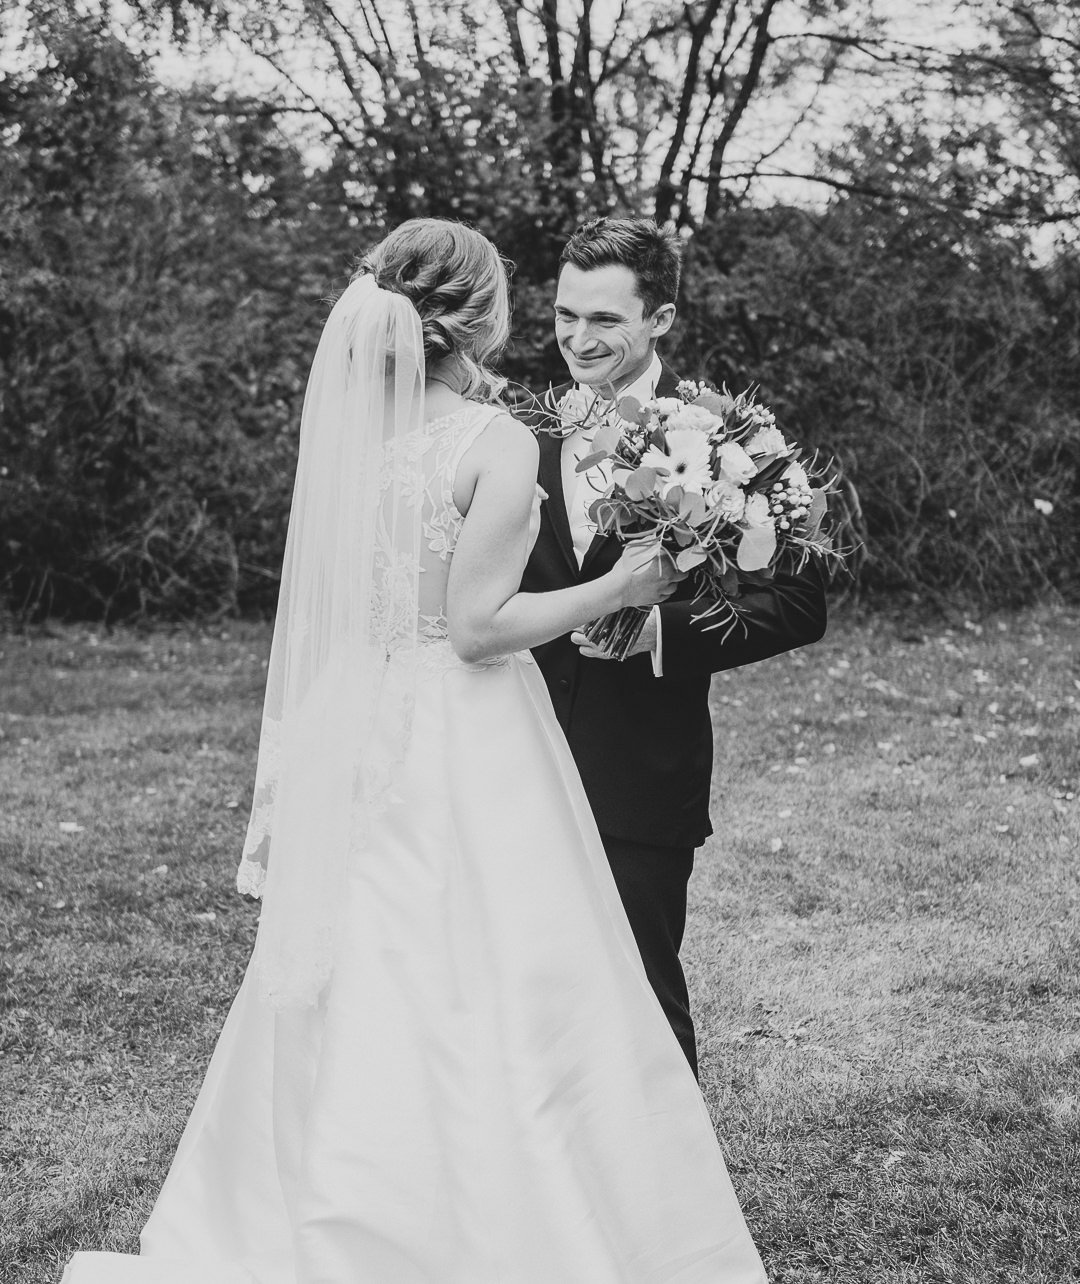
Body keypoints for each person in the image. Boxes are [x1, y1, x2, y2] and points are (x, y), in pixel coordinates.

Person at [61, 219, 767, 1282]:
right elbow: (479, 629)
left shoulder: (358, 440)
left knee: (363, 964)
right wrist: (621, 589)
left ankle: (324, 1195)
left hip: (367, 727)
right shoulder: (489, 440)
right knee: (494, 965)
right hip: (466, 726)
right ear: (483, 317)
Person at [522, 217, 828, 1075]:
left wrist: (656, 628)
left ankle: (667, 1200)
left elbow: (801, 601)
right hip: (507, 755)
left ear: (660, 318)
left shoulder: (732, 441)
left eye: (606, 321)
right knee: (516, 994)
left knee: (641, 996)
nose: (579, 340)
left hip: (639, 763)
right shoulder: (517, 433)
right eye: (565, 315)